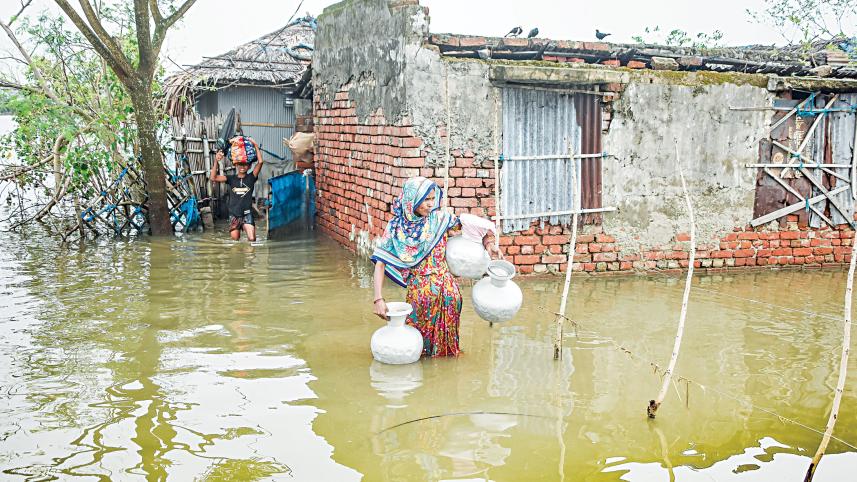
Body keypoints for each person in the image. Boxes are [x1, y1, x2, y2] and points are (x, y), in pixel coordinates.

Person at [371, 176, 500, 357]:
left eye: (433, 199)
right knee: (415, 349)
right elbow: (380, 263)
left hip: (448, 294)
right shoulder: (396, 228)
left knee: (449, 353)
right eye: (426, 200)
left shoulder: (440, 220)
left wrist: (489, 245)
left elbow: (479, 229)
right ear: (411, 200)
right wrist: (378, 299)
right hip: (419, 296)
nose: (431, 204)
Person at [210, 143, 264, 241]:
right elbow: (213, 177)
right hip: (234, 215)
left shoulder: (251, 177)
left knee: (252, 239)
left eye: (245, 164)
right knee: (235, 240)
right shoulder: (230, 179)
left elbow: (260, 162)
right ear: (235, 164)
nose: (242, 167)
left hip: (247, 214)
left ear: (249, 165)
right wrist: (216, 161)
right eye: (240, 164)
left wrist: (255, 145)